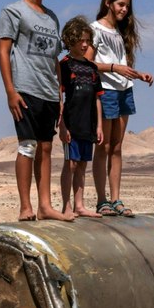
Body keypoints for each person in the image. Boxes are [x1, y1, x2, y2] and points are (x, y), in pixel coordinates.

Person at [0, 0, 70, 222]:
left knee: (47, 148)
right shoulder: (13, 11)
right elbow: (4, 51)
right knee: (27, 145)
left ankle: (45, 206)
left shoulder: (52, 18)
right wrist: (10, 91)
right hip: (25, 89)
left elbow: (54, 59)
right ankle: (25, 207)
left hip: (49, 91)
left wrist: (60, 94)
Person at [88, 0, 154, 218]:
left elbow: (122, 65)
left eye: (127, 6)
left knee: (117, 146)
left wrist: (138, 74)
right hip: (105, 90)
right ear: (108, 3)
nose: (125, 10)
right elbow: (89, 63)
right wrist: (115, 67)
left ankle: (116, 198)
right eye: (121, 5)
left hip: (125, 89)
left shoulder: (122, 33)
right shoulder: (94, 29)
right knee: (103, 147)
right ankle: (101, 199)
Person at [57, 16, 104, 218]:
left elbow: (97, 99)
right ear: (70, 40)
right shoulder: (64, 65)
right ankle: (66, 205)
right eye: (80, 40)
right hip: (71, 122)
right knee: (71, 164)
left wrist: (100, 126)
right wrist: (62, 125)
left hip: (89, 123)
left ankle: (80, 205)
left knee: (83, 164)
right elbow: (59, 95)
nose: (85, 45)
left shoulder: (92, 68)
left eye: (87, 40)